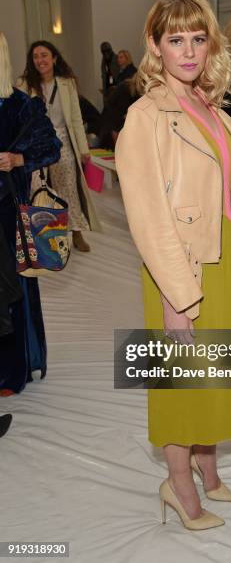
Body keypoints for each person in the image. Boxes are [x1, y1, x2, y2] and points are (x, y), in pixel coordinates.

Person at [116, 0, 231, 530]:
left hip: (218, 258)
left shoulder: (208, 106)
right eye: (175, 39)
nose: (188, 50)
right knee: (181, 384)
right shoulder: (145, 117)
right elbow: (150, 219)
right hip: (178, 267)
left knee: (213, 373)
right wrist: (177, 294)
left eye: (197, 38)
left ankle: (207, 463)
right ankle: (178, 484)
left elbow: (226, 196)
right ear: (155, 45)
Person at [0, 31, 61, 394]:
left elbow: (51, 147)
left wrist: (17, 158)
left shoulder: (21, 105)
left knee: (11, 290)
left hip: (8, 213)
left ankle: (12, 368)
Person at [18, 41, 101, 252]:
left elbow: (75, 118)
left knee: (67, 189)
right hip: (36, 145)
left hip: (63, 140)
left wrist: (83, 149)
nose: (40, 60)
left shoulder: (66, 83)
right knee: (38, 188)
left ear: (54, 58)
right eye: (36, 56)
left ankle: (76, 232)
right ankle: (46, 236)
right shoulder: (23, 85)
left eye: (44, 55)